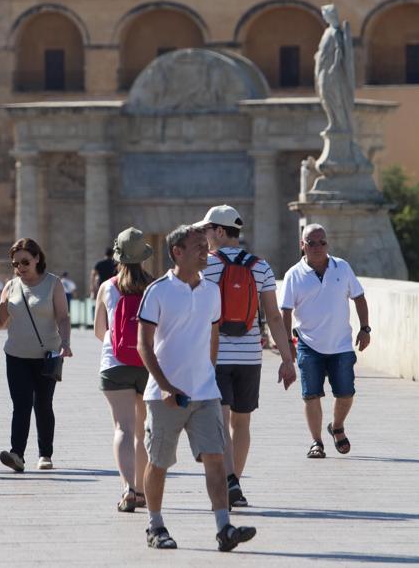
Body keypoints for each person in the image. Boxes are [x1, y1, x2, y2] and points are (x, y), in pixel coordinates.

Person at [138, 225, 257, 553]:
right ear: (177, 252)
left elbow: (213, 332)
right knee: (159, 462)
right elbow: (144, 345)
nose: (206, 252)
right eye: (198, 247)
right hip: (165, 395)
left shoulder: (211, 290)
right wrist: (164, 386)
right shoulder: (158, 291)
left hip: (205, 392)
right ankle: (155, 524)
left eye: (206, 246)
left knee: (216, 459)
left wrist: (209, 372)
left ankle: (224, 528)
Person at [196, 205, 296, 508]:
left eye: (207, 230)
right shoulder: (261, 267)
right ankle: (234, 483)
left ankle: (228, 482)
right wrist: (287, 359)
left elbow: (197, 313)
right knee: (242, 423)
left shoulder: (207, 267)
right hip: (250, 356)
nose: (204, 236)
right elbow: (274, 317)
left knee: (221, 421)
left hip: (216, 356)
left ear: (220, 232)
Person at [0, 238, 71, 472]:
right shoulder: (11, 286)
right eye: (16, 263)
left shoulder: (53, 284)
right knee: (21, 404)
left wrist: (66, 342)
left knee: (43, 404)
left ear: (37, 258)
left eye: (25, 261)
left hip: (47, 355)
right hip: (16, 355)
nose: (20, 267)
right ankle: (17, 455)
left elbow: (63, 317)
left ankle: (45, 454)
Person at [279, 223, 370, 459]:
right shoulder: (293, 275)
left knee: (346, 393)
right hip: (308, 344)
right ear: (302, 246)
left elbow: (359, 297)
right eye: (311, 243)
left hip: (341, 344)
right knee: (311, 395)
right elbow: (285, 312)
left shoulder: (342, 267)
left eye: (322, 242)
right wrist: (288, 343)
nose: (318, 247)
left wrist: (365, 328)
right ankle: (316, 442)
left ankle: (337, 426)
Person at [93, 227, 154, 512]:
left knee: (123, 429)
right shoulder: (155, 286)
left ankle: (128, 488)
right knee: (143, 431)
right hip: (148, 364)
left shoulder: (107, 287)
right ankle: (142, 490)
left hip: (114, 364)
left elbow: (98, 331)